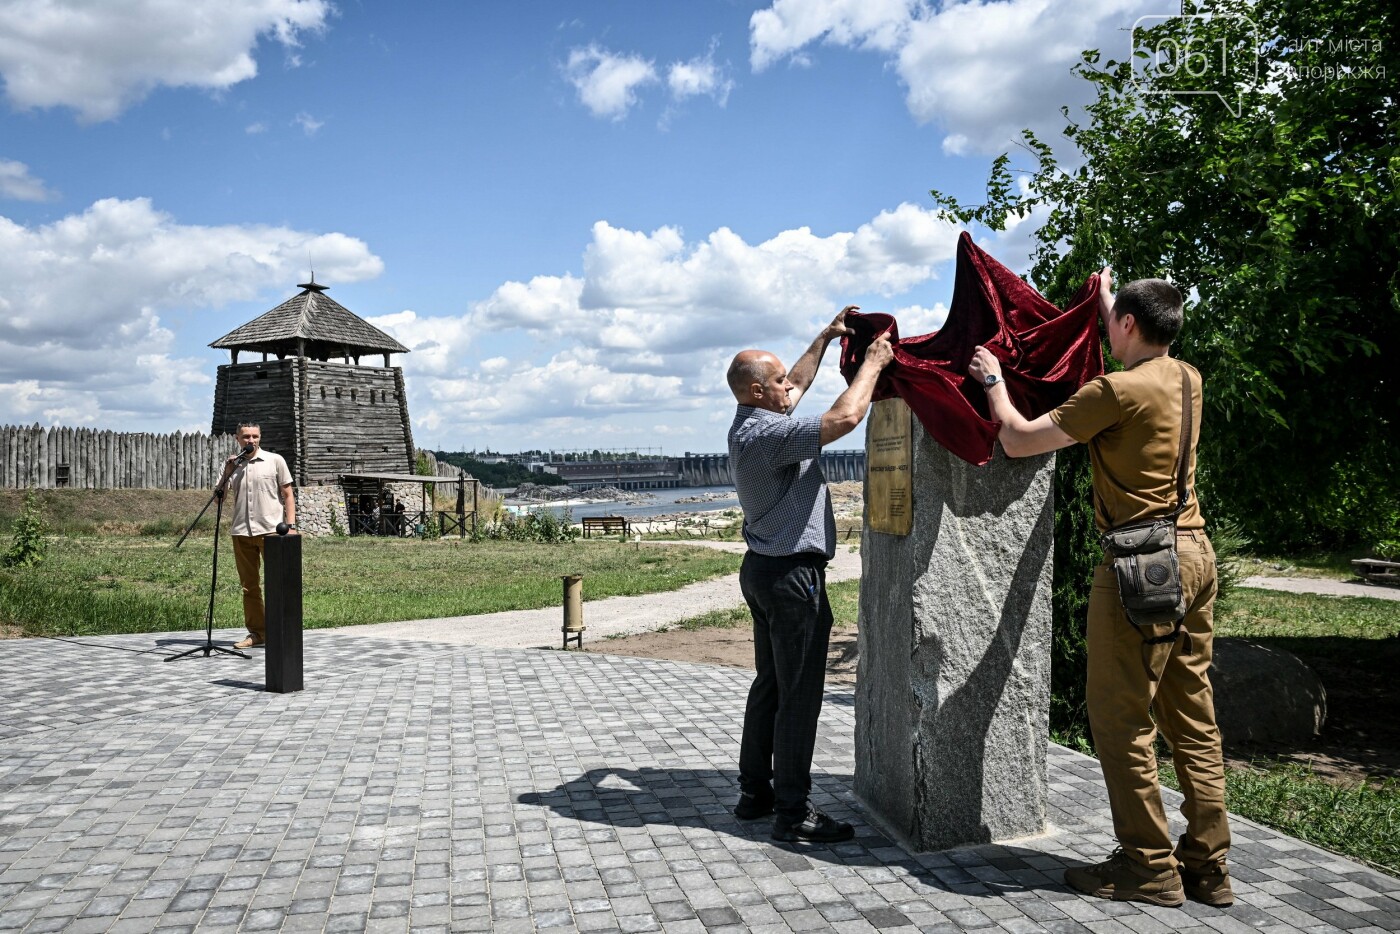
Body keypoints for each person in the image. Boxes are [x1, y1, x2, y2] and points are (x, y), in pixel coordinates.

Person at [968, 270, 1230, 908]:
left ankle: (1148, 866)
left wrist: (995, 383)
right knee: (1193, 719)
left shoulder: (1111, 391)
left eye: (1114, 318)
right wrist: (1108, 295)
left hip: (1140, 566)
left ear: (1129, 325)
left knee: (1121, 720)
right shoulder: (1187, 378)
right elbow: (1138, 332)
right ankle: (1208, 867)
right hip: (1196, 553)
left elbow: (1019, 439)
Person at [726, 305, 894, 843]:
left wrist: (824, 338)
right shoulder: (767, 435)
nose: (789, 387)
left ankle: (755, 793)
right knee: (798, 697)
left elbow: (797, 384)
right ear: (757, 392)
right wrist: (872, 365)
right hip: (792, 578)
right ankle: (793, 813)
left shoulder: (755, 421)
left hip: (764, 570)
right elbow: (844, 419)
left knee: (771, 686)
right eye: (778, 381)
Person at [216, 422, 297, 649]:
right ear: (237, 439)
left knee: (278, 584)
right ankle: (258, 633)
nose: (251, 440)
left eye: (255, 436)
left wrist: (290, 525)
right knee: (249, 587)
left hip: (271, 531)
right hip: (241, 532)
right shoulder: (232, 465)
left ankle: (283, 631)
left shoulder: (275, 460)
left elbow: (288, 494)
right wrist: (227, 472)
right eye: (246, 437)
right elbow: (219, 499)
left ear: (260, 437)